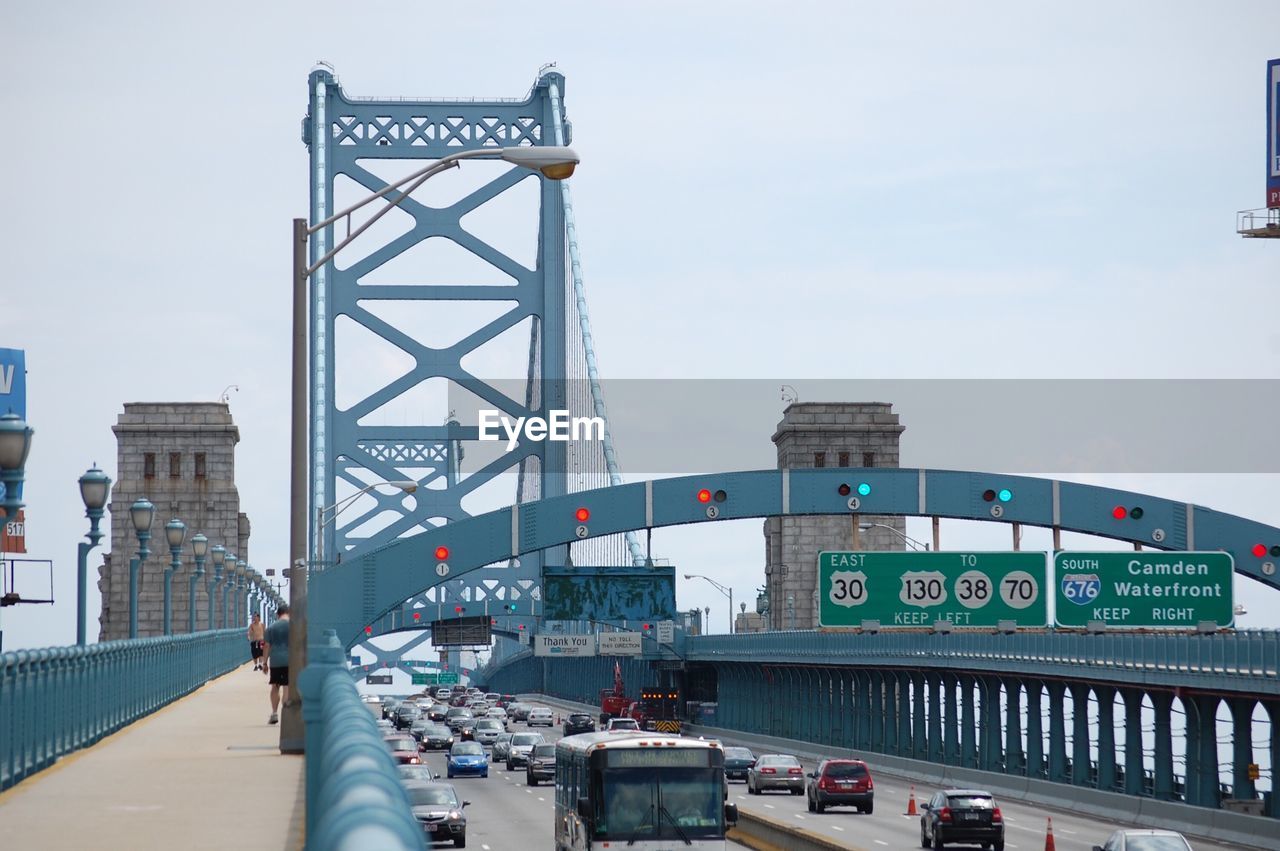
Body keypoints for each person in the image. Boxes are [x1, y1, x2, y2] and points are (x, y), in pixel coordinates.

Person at [262, 604, 290, 724]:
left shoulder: (271, 628)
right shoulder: (294, 626)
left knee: (275, 686)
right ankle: (287, 713)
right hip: (290, 659)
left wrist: (264, 663)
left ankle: (274, 713)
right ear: (288, 613)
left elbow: (267, 645)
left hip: (276, 660)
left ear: (278, 614)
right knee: (287, 687)